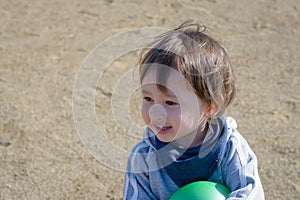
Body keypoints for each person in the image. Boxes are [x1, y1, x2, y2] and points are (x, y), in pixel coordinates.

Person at [123, 20, 265, 200]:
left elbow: (251, 193)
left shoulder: (230, 148)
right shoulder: (143, 158)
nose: (156, 113)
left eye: (170, 102)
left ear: (211, 106)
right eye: (148, 99)